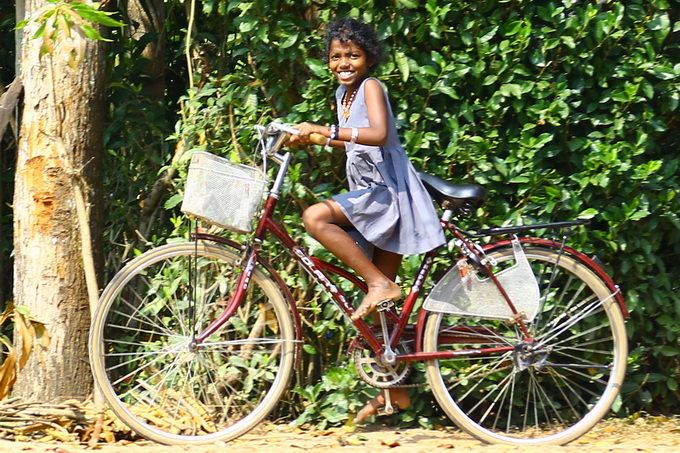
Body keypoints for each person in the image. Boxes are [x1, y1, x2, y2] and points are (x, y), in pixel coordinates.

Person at [288, 18, 446, 423]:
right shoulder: (342, 93)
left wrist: (325, 129)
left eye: (353, 55)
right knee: (384, 318)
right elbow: (344, 136)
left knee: (315, 217)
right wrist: (309, 137)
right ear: (328, 62)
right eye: (336, 56)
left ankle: (380, 282)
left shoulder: (371, 87)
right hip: (372, 196)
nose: (344, 62)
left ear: (369, 58)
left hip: (386, 195)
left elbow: (377, 134)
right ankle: (401, 392)